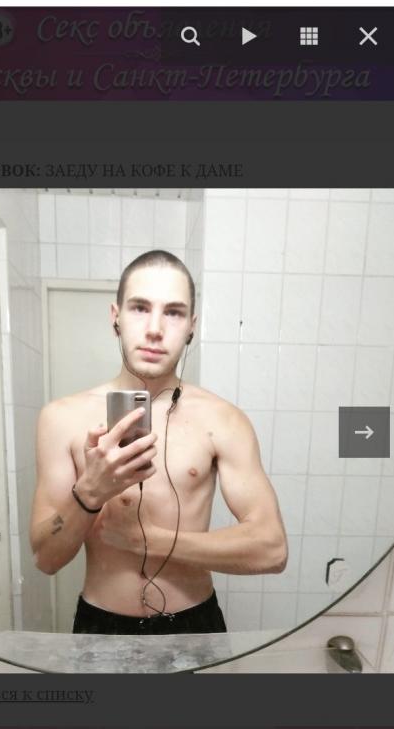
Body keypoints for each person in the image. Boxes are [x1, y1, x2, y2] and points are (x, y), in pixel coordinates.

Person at [30, 249, 287, 635]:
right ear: (115, 316)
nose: (154, 328)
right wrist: (89, 492)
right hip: (101, 626)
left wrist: (149, 540)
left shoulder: (223, 420)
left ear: (191, 326)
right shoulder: (60, 419)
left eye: (174, 312)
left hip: (194, 623)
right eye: (139, 308)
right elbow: (46, 559)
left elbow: (272, 549)